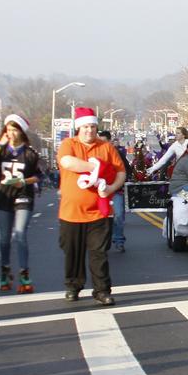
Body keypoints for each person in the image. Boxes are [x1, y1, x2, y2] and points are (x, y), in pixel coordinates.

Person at [57, 107, 126, 305]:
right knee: (73, 252)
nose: (89, 130)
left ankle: (102, 290)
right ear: (79, 127)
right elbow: (67, 162)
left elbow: (120, 171)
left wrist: (111, 186)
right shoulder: (68, 144)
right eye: (86, 126)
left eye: (93, 127)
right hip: (71, 213)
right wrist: (97, 168)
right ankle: (73, 286)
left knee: (99, 253)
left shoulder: (106, 147)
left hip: (99, 212)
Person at [0, 113, 42, 293]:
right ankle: (5, 270)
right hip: (3, 196)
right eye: (8, 130)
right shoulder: (1, 151)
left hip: (23, 195)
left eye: (14, 130)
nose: (11, 133)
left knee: (20, 233)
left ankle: (24, 272)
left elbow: (38, 176)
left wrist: (24, 182)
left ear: (21, 132)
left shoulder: (30, 154)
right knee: (4, 238)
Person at [100, 130, 131, 253]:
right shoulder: (94, 154)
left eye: (104, 141)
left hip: (116, 190)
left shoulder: (117, 153)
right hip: (99, 191)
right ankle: (101, 241)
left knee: (118, 215)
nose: (101, 144)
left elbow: (126, 169)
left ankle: (119, 241)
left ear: (109, 141)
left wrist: (120, 182)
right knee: (100, 217)